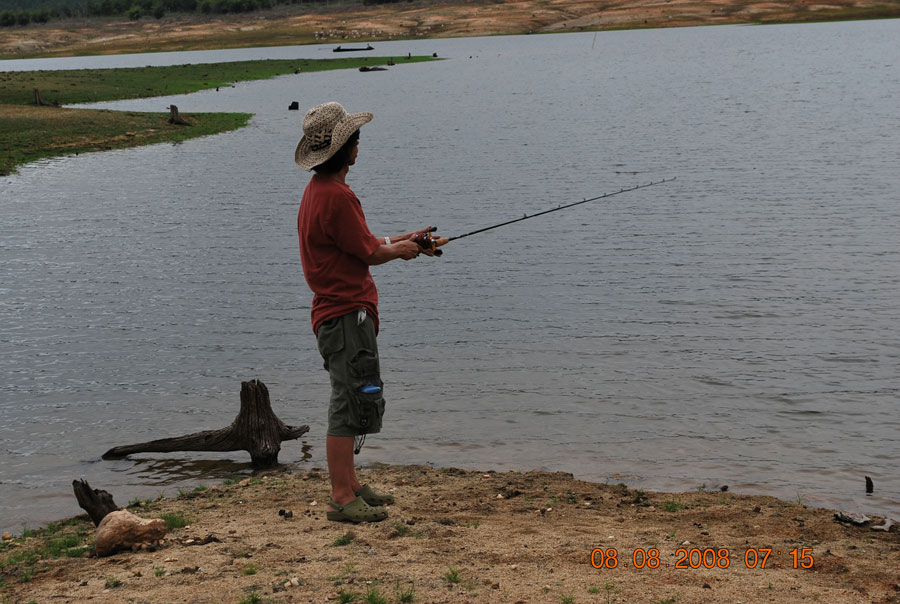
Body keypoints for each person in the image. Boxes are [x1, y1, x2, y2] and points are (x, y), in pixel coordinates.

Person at [295, 101, 443, 523]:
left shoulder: (319, 191)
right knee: (347, 402)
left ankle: (352, 484)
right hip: (344, 317)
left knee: (356, 396)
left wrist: (409, 238)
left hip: (338, 315)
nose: (360, 144)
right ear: (346, 148)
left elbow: (361, 241)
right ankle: (341, 497)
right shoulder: (338, 196)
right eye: (356, 139)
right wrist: (402, 251)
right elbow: (371, 253)